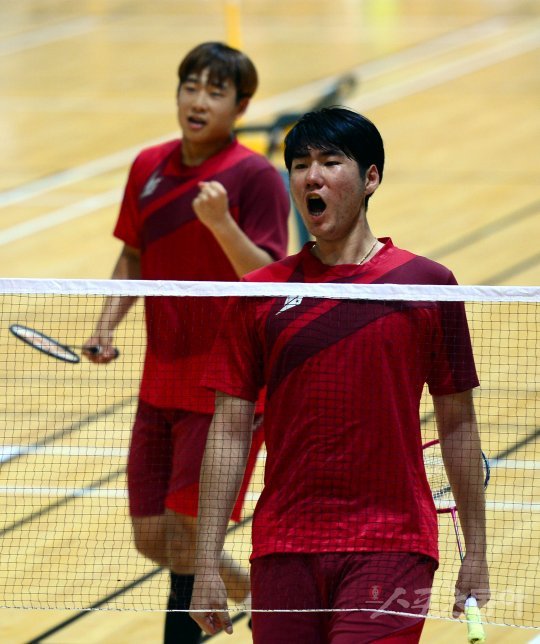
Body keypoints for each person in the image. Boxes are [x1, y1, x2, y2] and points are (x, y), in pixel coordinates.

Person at [189, 107, 490, 643]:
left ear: (371, 178)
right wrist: (206, 562)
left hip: (392, 543)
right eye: (300, 165)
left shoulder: (426, 284)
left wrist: (478, 553)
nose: (313, 176)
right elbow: (229, 431)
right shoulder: (260, 292)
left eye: (331, 162)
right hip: (283, 545)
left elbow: (458, 425)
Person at [82, 42, 289, 644]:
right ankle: (242, 582)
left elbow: (270, 279)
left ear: (240, 107)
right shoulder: (147, 166)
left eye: (215, 92)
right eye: (190, 87)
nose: (198, 101)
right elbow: (134, 253)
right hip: (160, 381)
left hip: (226, 388)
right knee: (154, 536)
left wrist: (221, 223)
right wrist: (106, 324)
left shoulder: (255, 177)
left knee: (188, 536)